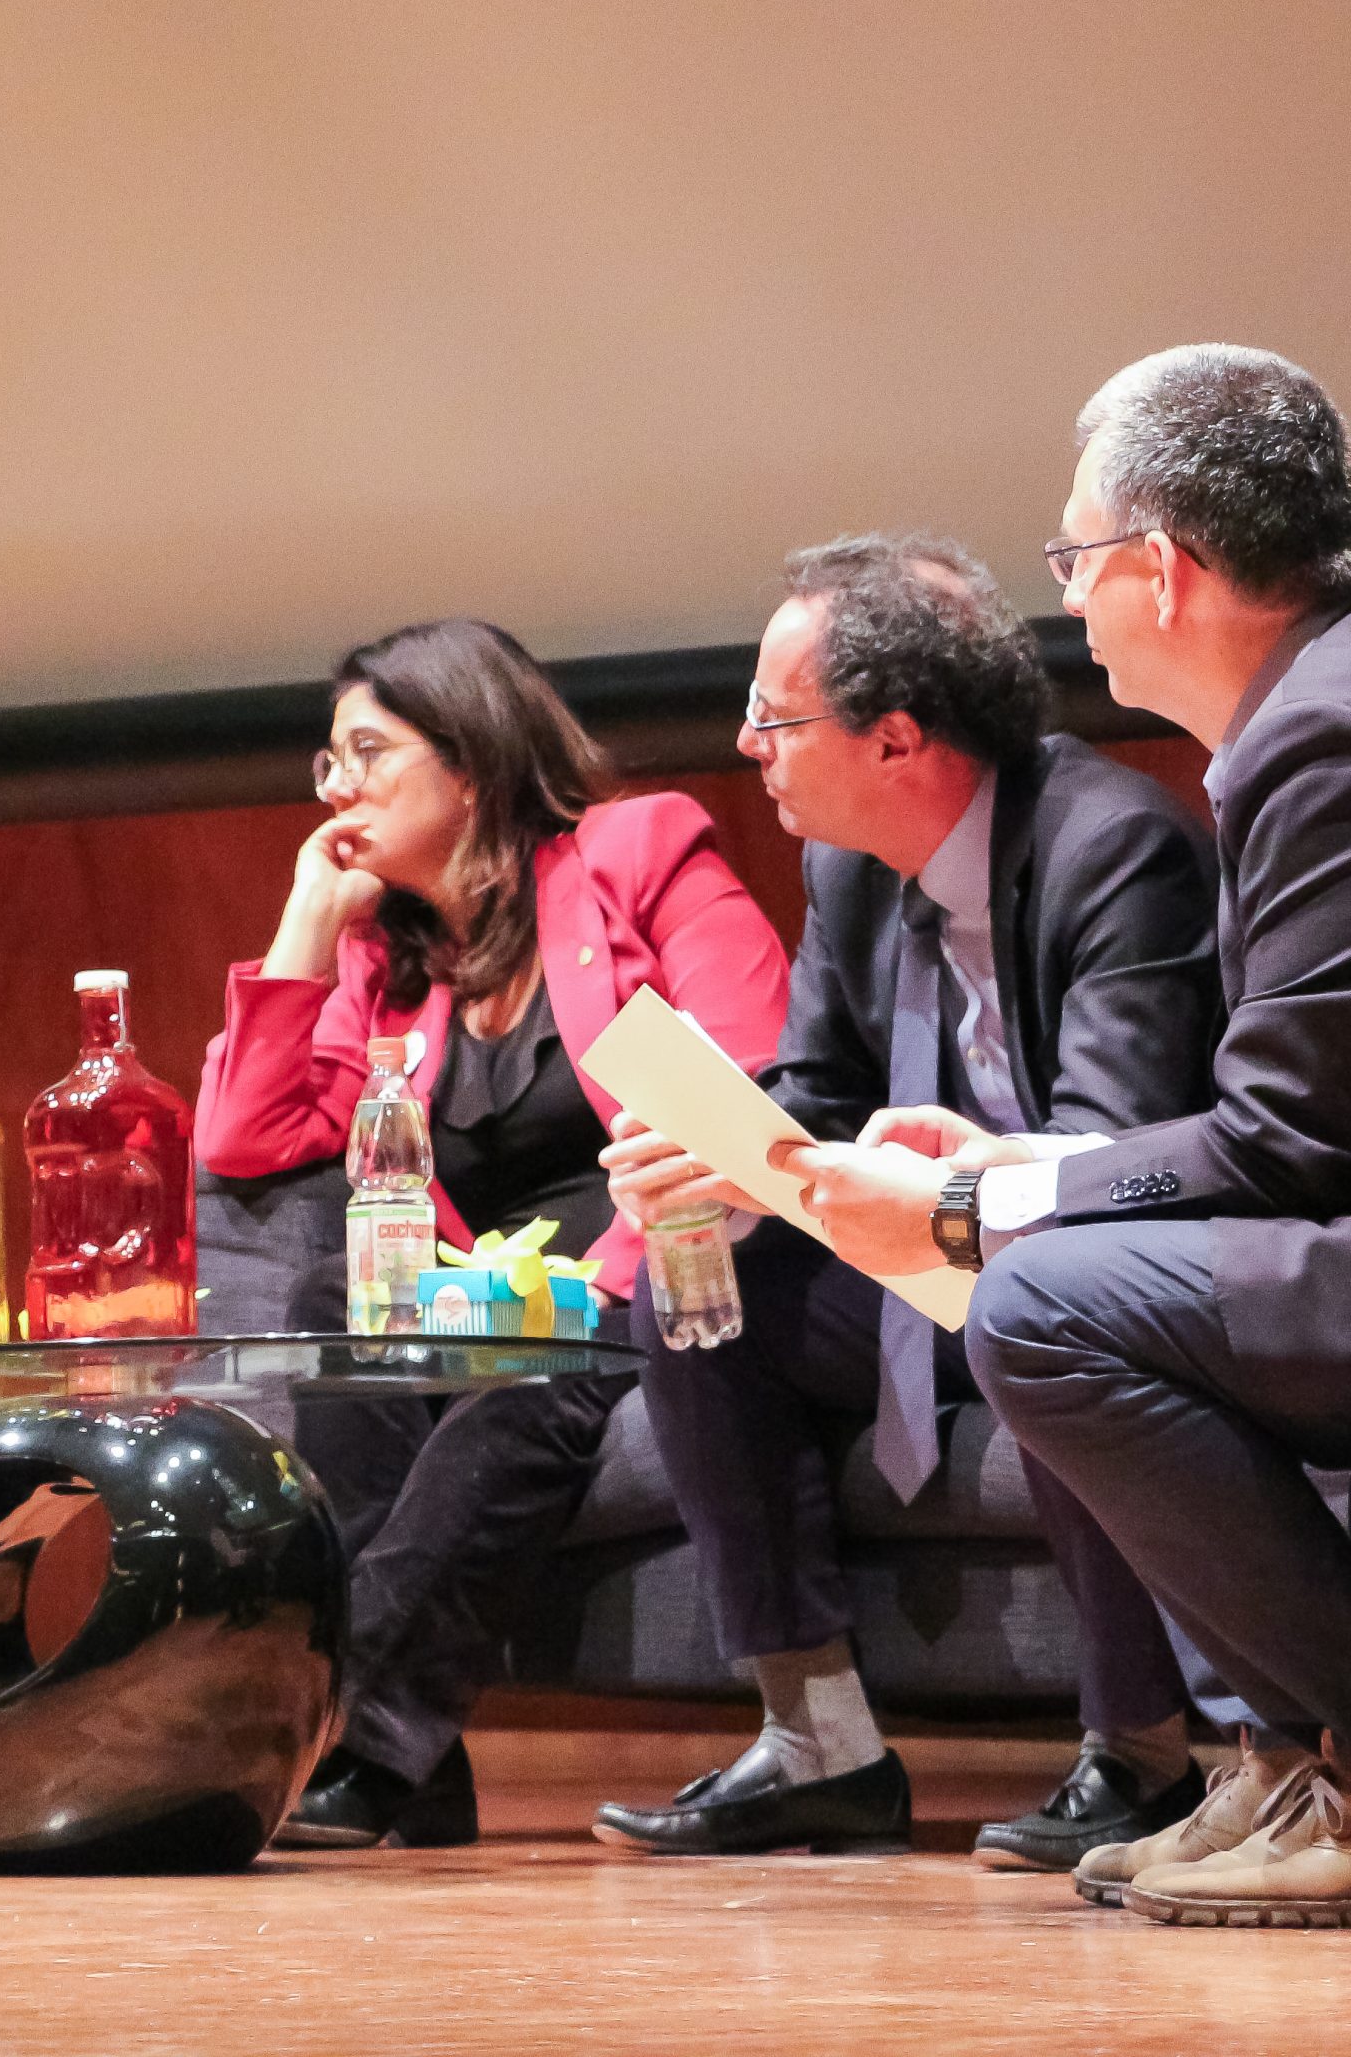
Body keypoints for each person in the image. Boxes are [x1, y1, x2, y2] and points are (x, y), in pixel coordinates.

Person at [797, 348, 1351, 1925]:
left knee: (1038, 1297)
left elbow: (1292, 1142)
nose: (1074, 604)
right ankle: (1285, 1756)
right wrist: (1000, 1170)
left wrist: (982, 1205)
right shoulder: (1309, 711)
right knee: (1059, 1258)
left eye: (1074, 558)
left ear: (1160, 571)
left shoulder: (1323, 738)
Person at [595, 536, 1221, 1863]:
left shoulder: (1117, 846)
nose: (748, 743)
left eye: (775, 715)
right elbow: (818, 1094)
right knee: (701, 1279)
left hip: (1099, 1255)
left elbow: (1116, 1149)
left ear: (895, 738)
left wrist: (925, 1193)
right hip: (923, 1249)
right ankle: (817, 1742)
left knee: (1044, 1290)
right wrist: (726, 1166)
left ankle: (1144, 1759)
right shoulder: (847, 868)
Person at [193, 617, 790, 1847]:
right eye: (326, 763)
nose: (337, 786)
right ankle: (407, 1762)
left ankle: (347, 1737)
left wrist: (590, 1282)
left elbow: (756, 1061)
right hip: (477, 1292)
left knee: (529, 1364)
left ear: (467, 758)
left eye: (366, 752)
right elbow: (243, 1136)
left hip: (652, 1262)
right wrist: (309, 918)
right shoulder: (387, 959)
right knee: (329, 1305)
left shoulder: (637, 850)